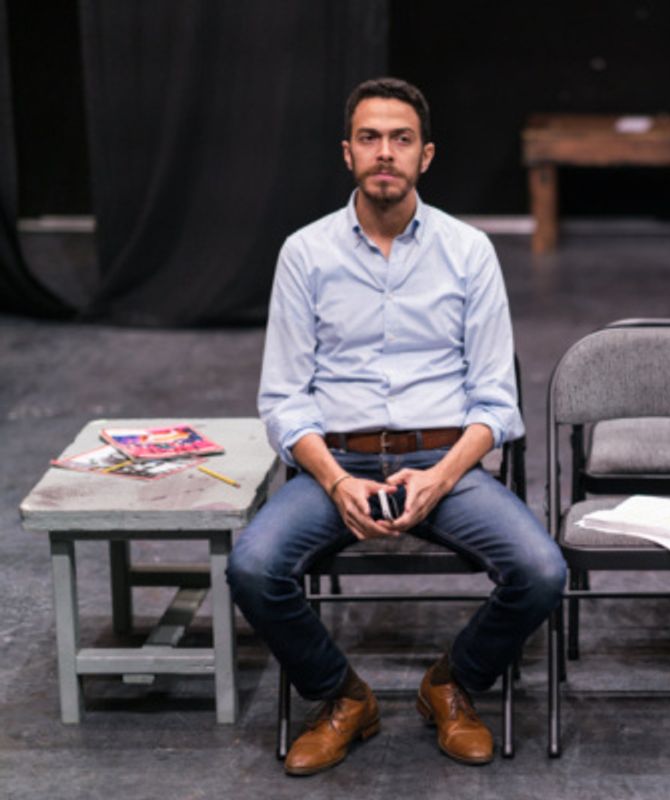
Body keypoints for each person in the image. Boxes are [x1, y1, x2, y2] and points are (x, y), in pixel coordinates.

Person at [227, 77, 566, 776]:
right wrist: (338, 481)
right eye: (371, 138)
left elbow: (497, 402)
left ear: (427, 155)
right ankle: (342, 698)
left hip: (445, 459)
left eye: (401, 139)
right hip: (336, 466)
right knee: (254, 568)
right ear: (347, 152)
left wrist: (442, 478)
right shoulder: (305, 253)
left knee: (540, 571)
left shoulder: (468, 251)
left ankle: (452, 684)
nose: (386, 152)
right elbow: (285, 398)